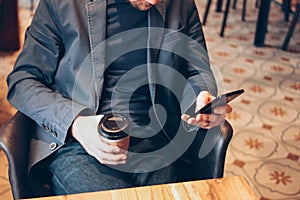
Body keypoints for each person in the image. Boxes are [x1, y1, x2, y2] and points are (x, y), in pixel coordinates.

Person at [6, 0, 232, 196]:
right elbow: (23, 81)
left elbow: (196, 70)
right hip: (77, 143)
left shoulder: (180, 4)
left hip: (156, 137)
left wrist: (200, 98)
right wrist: (76, 124)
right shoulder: (61, 4)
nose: (154, 2)